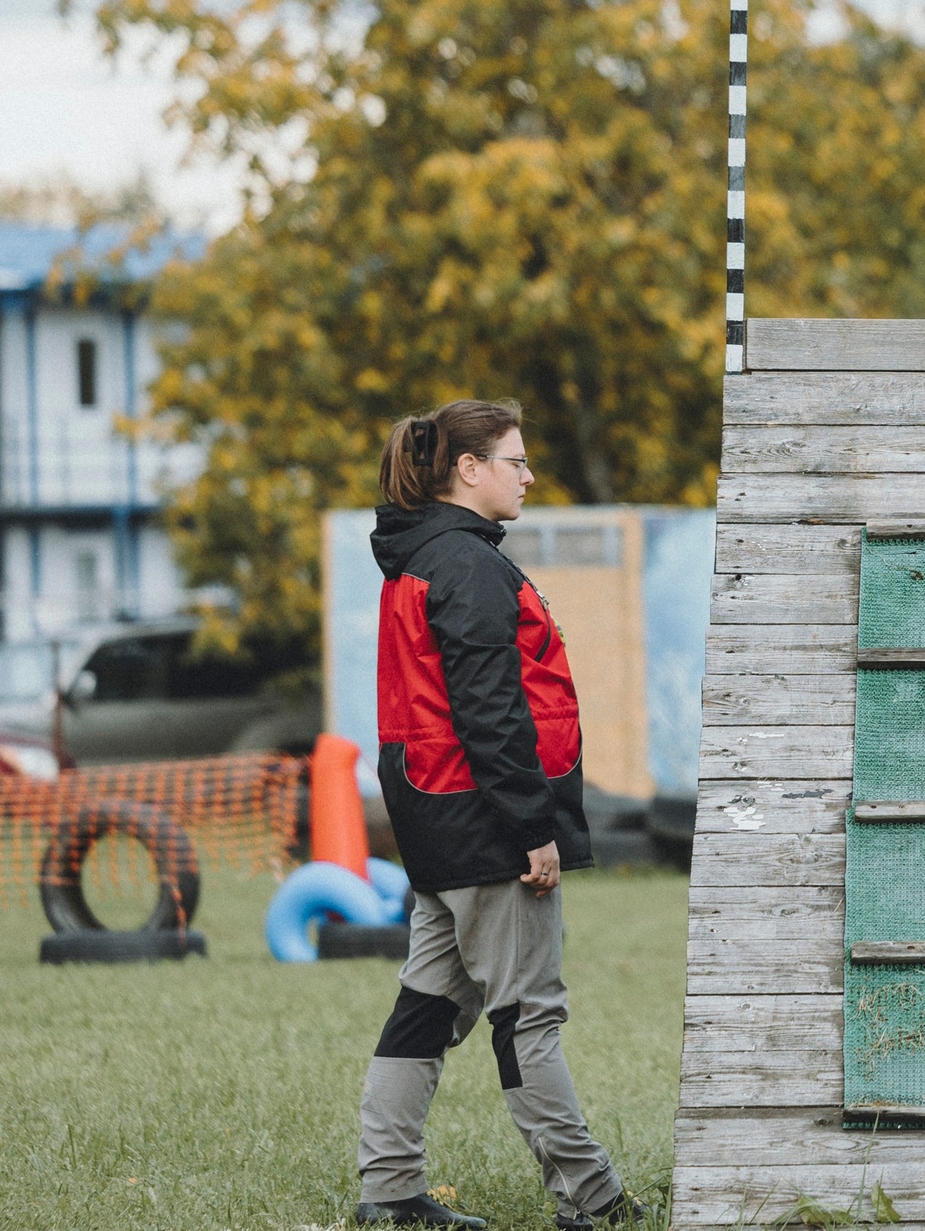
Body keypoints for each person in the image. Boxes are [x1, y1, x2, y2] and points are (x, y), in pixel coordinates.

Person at [352, 399, 646, 1228]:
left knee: (425, 1007)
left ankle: (389, 1191)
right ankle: (592, 1201)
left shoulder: (424, 558)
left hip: (434, 820)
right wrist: (533, 827)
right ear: (468, 469)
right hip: (486, 829)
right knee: (529, 1018)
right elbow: (491, 710)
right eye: (514, 460)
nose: (528, 474)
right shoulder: (467, 565)